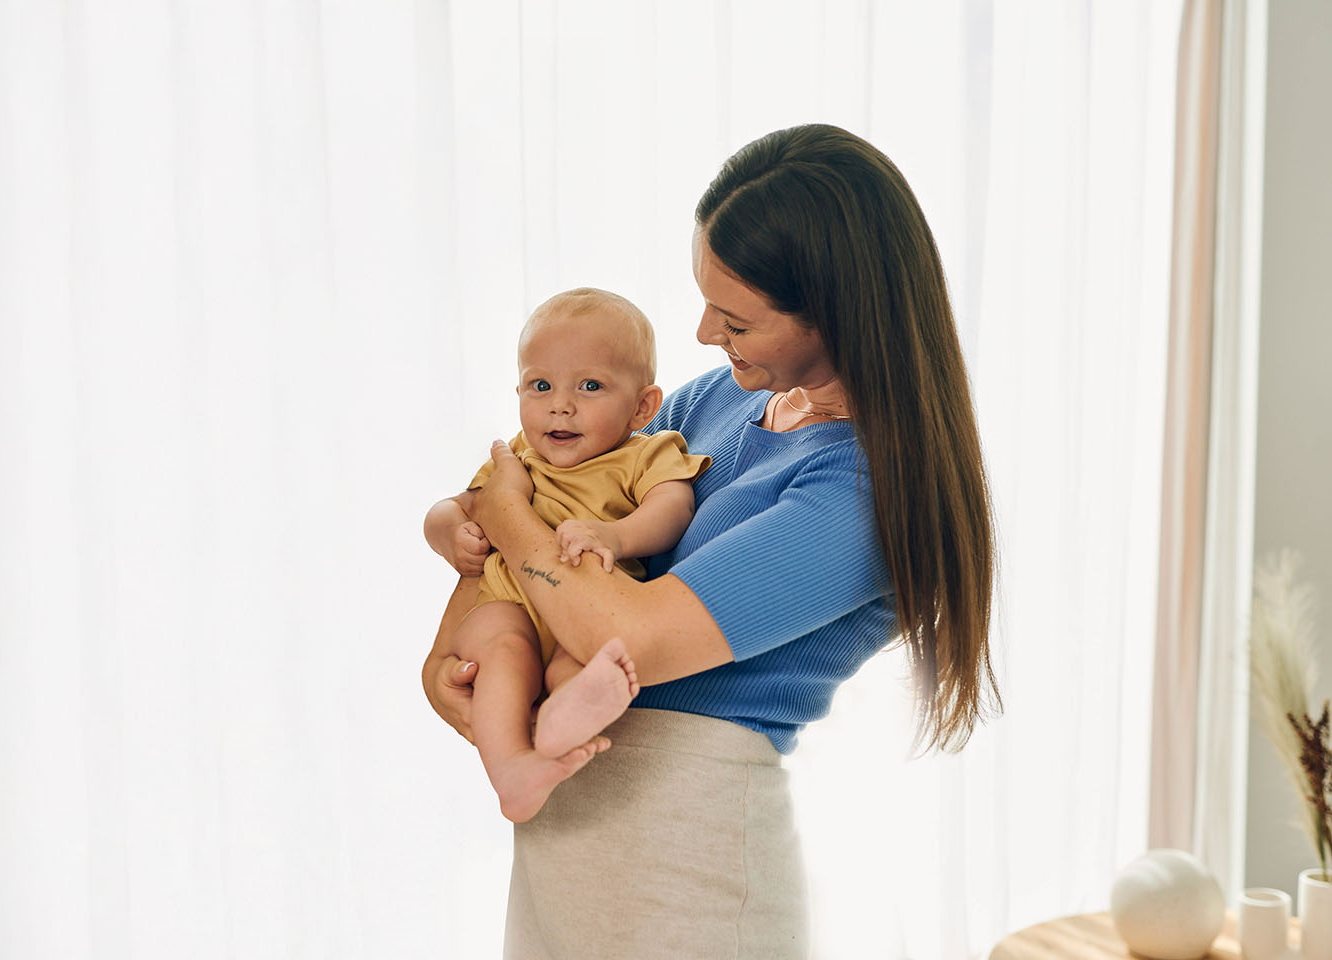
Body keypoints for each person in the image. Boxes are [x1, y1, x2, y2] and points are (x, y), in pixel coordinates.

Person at [423, 124, 1000, 959]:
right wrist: (453, 653)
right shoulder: (714, 404)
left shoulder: (863, 495)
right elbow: (552, 498)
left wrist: (505, 511)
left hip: (685, 849)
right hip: (566, 831)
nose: (700, 332)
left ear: (833, 314)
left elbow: (617, 630)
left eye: (732, 316)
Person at [423, 287, 710, 823]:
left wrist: (618, 537)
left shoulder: (648, 452)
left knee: (585, 665)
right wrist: (447, 534)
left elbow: (673, 506)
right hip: (505, 603)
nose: (560, 403)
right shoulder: (517, 457)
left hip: (588, 608)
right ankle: (510, 769)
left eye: (591, 385)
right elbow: (457, 506)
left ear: (643, 406)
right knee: (505, 651)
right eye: (540, 385)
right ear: (518, 391)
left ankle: (558, 719)